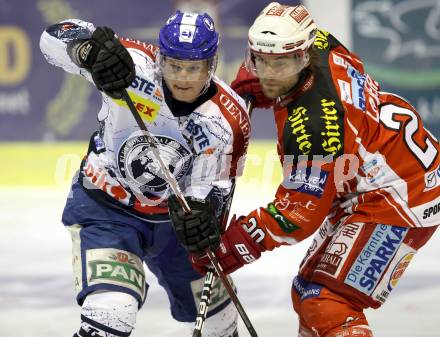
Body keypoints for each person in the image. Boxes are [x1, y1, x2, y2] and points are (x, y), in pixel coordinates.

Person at [169, 3, 440, 337]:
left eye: (279, 63)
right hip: (380, 172)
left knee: (326, 299)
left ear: (302, 57)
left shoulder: (312, 126)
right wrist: (249, 83)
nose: (267, 73)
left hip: (397, 197)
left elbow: (297, 216)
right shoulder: (321, 43)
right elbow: (270, 59)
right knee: (309, 290)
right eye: (260, 60)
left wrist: (229, 248)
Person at [40, 10, 250, 337]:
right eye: (174, 66)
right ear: (160, 58)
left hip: (173, 223)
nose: (182, 77)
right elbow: (53, 37)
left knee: (219, 321)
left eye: (193, 68)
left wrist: (201, 212)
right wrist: (86, 51)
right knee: (111, 313)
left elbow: (214, 184)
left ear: (212, 65)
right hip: (106, 208)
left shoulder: (227, 120)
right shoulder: (130, 64)